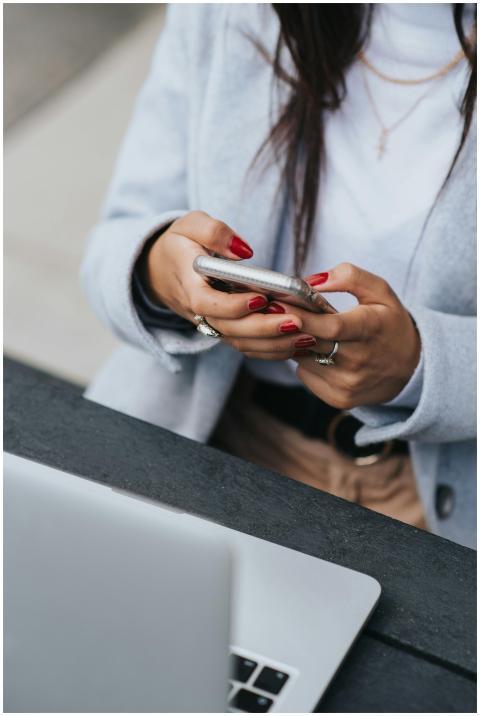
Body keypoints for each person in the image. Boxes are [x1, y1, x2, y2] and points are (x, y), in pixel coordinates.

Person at [81, 4, 476, 548]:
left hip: (430, 506)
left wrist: (421, 366)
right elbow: (110, 243)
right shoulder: (228, 12)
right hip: (210, 440)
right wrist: (160, 271)